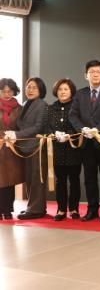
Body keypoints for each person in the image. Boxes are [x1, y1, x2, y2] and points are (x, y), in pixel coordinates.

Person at [69, 60, 100, 222]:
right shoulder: (79, 94)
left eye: (98, 72)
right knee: (89, 178)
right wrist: (82, 129)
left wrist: (97, 129)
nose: (95, 74)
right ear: (86, 75)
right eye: (91, 72)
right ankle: (92, 209)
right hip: (86, 143)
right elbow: (73, 115)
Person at [7, 78, 48, 220]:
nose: (30, 90)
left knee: (37, 178)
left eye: (34, 87)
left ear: (41, 90)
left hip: (37, 147)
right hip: (25, 147)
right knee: (30, 178)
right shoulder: (25, 104)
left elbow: (38, 127)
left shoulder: (42, 105)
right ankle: (32, 207)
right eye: (28, 87)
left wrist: (16, 135)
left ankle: (37, 210)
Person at [47, 79, 83, 221]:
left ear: (71, 91)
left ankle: (74, 209)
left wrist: (68, 134)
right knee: (60, 181)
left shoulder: (76, 106)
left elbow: (79, 125)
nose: (62, 92)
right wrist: (54, 133)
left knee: (74, 180)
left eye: (66, 89)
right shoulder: (51, 108)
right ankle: (61, 209)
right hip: (57, 149)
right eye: (60, 89)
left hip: (73, 149)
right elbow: (47, 127)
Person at [0, 78, 23, 220]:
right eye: (3, 91)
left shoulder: (19, 108)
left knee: (10, 180)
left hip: (12, 148)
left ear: (14, 92)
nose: (7, 94)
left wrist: (14, 135)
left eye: (10, 91)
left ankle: (8, 209)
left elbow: (22, 127)